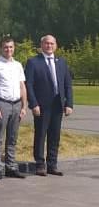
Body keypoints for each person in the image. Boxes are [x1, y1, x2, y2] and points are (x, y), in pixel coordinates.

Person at [25, 34, 74, 176]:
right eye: (46, 43)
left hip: (58, 105)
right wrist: (33, 104)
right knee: (40, 135)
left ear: (56, 45)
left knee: (55, 136)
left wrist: (69, 103)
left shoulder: (62, 62)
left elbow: (68, 85)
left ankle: (52, 164)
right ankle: (40, 164)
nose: (49, 46)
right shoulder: (33, 62)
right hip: (41, 106)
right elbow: (29, 85)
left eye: (52, 43)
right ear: (41, 46)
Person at [0, 36, 28, 179]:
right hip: (2, 103)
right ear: (1, 48)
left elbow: (22, 86)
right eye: (6, 47)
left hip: (17, 104)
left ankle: (11, 166)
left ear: (14, 48)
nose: (9, 50)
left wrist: (24, 106)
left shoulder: (18, 65)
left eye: (11, 47)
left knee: (13, 137)